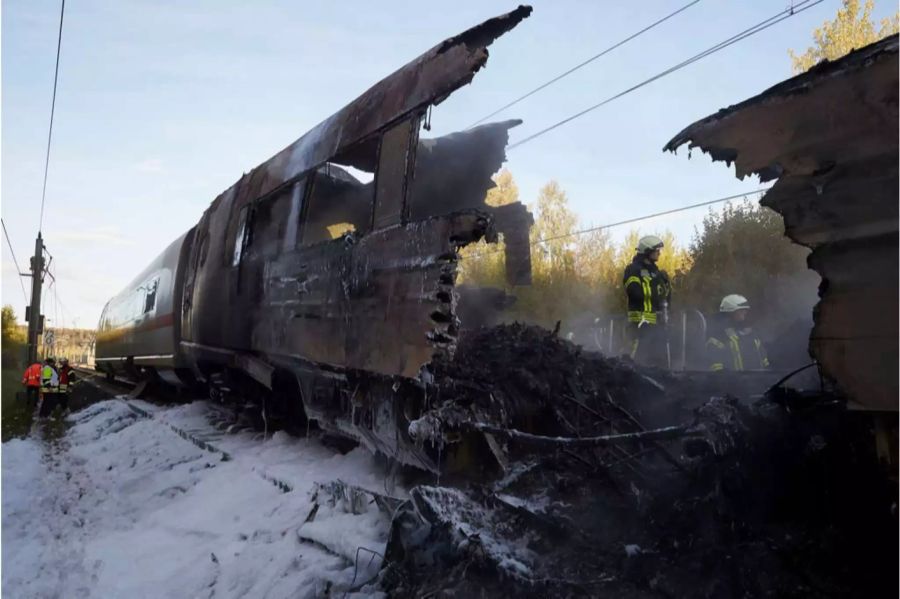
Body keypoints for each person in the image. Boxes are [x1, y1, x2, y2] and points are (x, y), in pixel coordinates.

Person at [623, 235, 671, 368]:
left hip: (657, 327)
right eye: (656, 250)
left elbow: (664, 298)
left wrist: (667, 284)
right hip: (639, 326)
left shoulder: (656, 272)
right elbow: (634, 292)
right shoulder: (633, 269)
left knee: (660, 364)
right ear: (647, 251)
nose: (659, 253)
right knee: (634, 363)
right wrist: (655, 283)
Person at [707, 294, 770, 371]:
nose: (745, 312)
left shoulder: (752, 336)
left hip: (759, 382)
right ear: (730, 312)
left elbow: (765, 365)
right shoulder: (718, 338)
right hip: (732, 382)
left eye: (745, 310)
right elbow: (716, 369)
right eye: (741, 309)